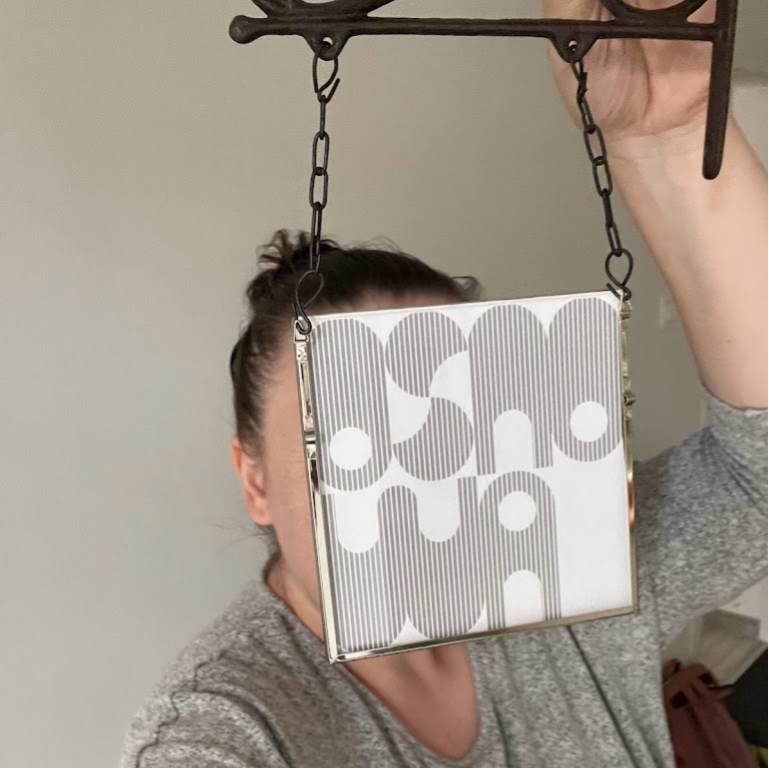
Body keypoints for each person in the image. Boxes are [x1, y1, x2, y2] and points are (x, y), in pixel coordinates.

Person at [121, 1, 768, 766]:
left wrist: (667, 133)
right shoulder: (232, 724)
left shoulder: (563, 565)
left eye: (459, 412)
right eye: (348, 434)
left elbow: (755, 480)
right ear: (254, 480)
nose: (424, 472)